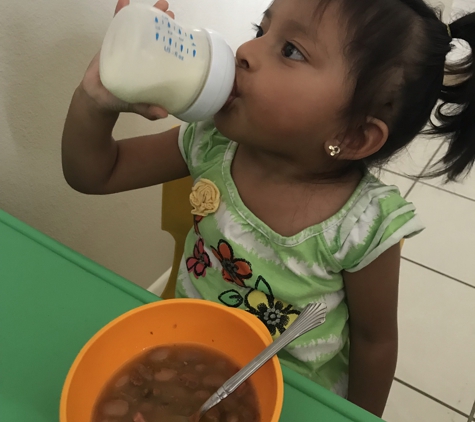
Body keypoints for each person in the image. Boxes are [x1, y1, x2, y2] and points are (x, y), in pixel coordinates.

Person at [61, 0, 475, 416]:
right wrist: (96, 98)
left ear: (352, 136)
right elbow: (97, 173)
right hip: (188, 350)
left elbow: (375, 342)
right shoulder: (209, 144)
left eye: (290, 50)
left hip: (299, 390)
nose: (244, 50)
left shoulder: (363, 225)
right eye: (261, 31)